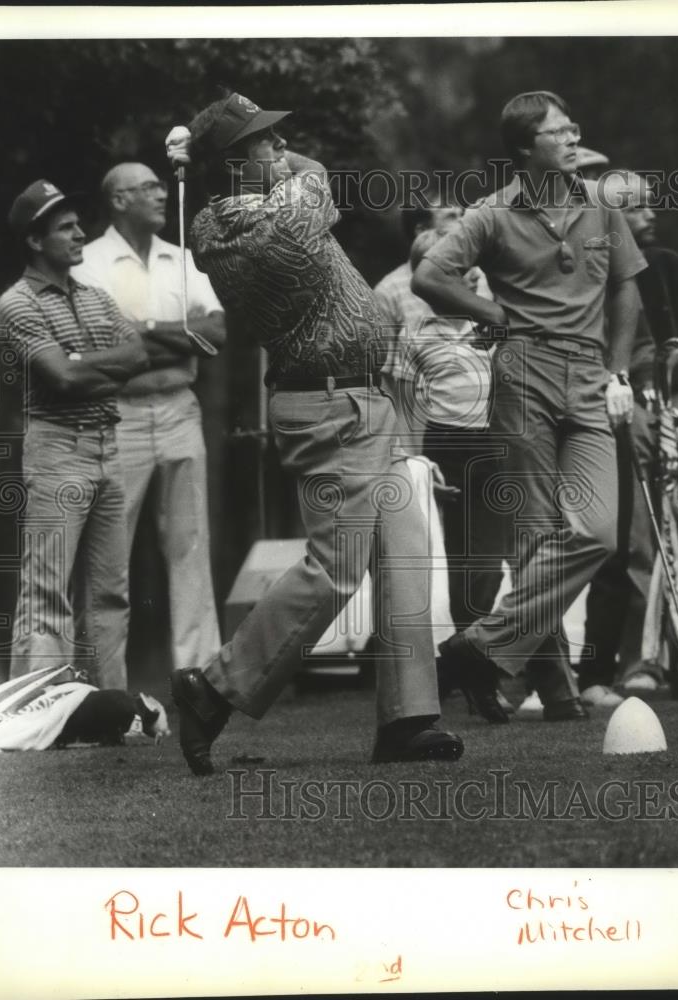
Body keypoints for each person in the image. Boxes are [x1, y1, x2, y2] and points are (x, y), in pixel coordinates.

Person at [164, 90, 463, 773]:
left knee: (404, 558)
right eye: (263, 143)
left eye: (273, 140)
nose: (279, 148)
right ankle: (214, 688)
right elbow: (315, 171)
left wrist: (223, 143)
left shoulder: (253, 198)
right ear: (238, 165)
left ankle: (408, 719)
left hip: (365, 400)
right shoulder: (253, 224)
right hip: (331, 411)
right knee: (336, 570)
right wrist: (224, 151)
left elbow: (293, 165)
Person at [412, 91, 647, 721]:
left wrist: (618, 371)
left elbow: (627, 289)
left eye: (575, 128)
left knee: (595, 533)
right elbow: (429, 277)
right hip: (523, 369)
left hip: (591, 376)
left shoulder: (600, 207)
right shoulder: (491, 215)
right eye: (559, 132)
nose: (573, 139)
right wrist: (495, 313)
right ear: (524, 148)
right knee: (536, 539)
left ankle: (477, 648)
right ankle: (558, 690)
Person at [72, 162, 226, 676]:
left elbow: (215, 334)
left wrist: (145, 330)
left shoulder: (181, 259)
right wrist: (174, 336)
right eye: (148, 188)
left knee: (191, 546)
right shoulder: (88, 263)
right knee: (109, 554)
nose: (162, 193)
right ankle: (104, 685)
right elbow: (101, 346)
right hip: (120, 415)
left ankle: (200, 679)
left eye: (162, 186)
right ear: (118, 199)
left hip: (181, 409)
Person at [0, 180, 150, 687]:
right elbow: (59, 377)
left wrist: (83, 361)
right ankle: (37, 709)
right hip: (58, 450)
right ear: (36, 242)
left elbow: (139, 356)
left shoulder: (95, 295)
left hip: (108, 445)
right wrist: (92, 366)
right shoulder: (18, 303)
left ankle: (112, 710)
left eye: (78, 224)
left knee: (111, 592)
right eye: (66, 228)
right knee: (47, 591)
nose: (80, 234)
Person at [579, 170, 678, 701]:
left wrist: (656, 400)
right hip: (588, 408)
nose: (651, 215)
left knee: (651, 538)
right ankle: (595, 667)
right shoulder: (584, 263)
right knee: (614, 541)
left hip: (644, 409)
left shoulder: (662, 264)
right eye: (639, 207)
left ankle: (648, 659)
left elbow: (665, 347)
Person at [405, 229, 511, 722]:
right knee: (463, 566)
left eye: (469, 269)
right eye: (449, 270)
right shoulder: (416, 334)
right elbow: (401, 408)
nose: (465, 275)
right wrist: (418, 467)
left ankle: (469, 667)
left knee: (497, 565)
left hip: (500, 445)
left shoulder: (501, 321)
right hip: (446, 449)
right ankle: (474, 677)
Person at [373, 202, 463, 453]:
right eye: (451, 216)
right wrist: (409, 454)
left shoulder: (481, 281)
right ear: (422, 229)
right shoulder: (388, 292)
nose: (463, 223)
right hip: (422, 427)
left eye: (463, 214)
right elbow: (387, 384)